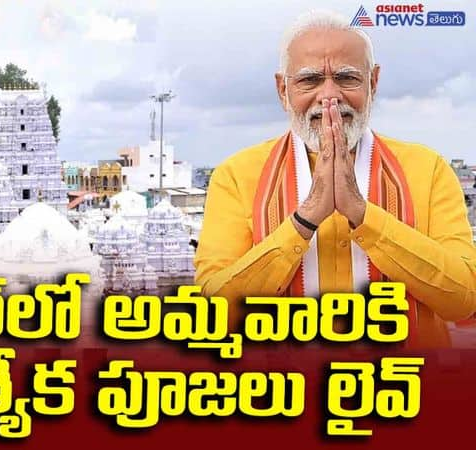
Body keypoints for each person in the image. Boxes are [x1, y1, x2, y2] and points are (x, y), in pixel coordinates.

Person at [194, 10, 476, 347]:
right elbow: (213, 315)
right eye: (310, 80)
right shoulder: (237, 176)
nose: (330, 96)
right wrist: (305, 218)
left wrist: (362, 214)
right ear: (283, 88)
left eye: (346, 78)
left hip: (407, 391)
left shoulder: (427, 169)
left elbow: (462, 299)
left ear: (373, 82)